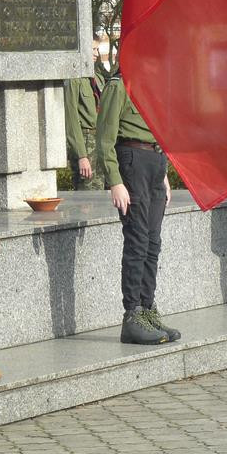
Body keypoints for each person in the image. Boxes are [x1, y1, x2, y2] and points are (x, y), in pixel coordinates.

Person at [96, 72, 181, 345]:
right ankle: (132, 315)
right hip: (131, 160)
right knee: (137, 240)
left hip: (154, 162)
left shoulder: (152, 84)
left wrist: (163, 173)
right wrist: (115, 181)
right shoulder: (120, 84)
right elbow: (105, 137)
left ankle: (147, 310)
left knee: (153, 242)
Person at [65, 41, 105, 190]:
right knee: (87, 193)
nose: (96, 53)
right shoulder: (74, 80)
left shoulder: (98, 79)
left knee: (103, 193)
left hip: (101, 141)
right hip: (86, 141)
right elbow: (71, 119)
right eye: (93, 49)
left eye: (97, 49)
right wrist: (82, 155)